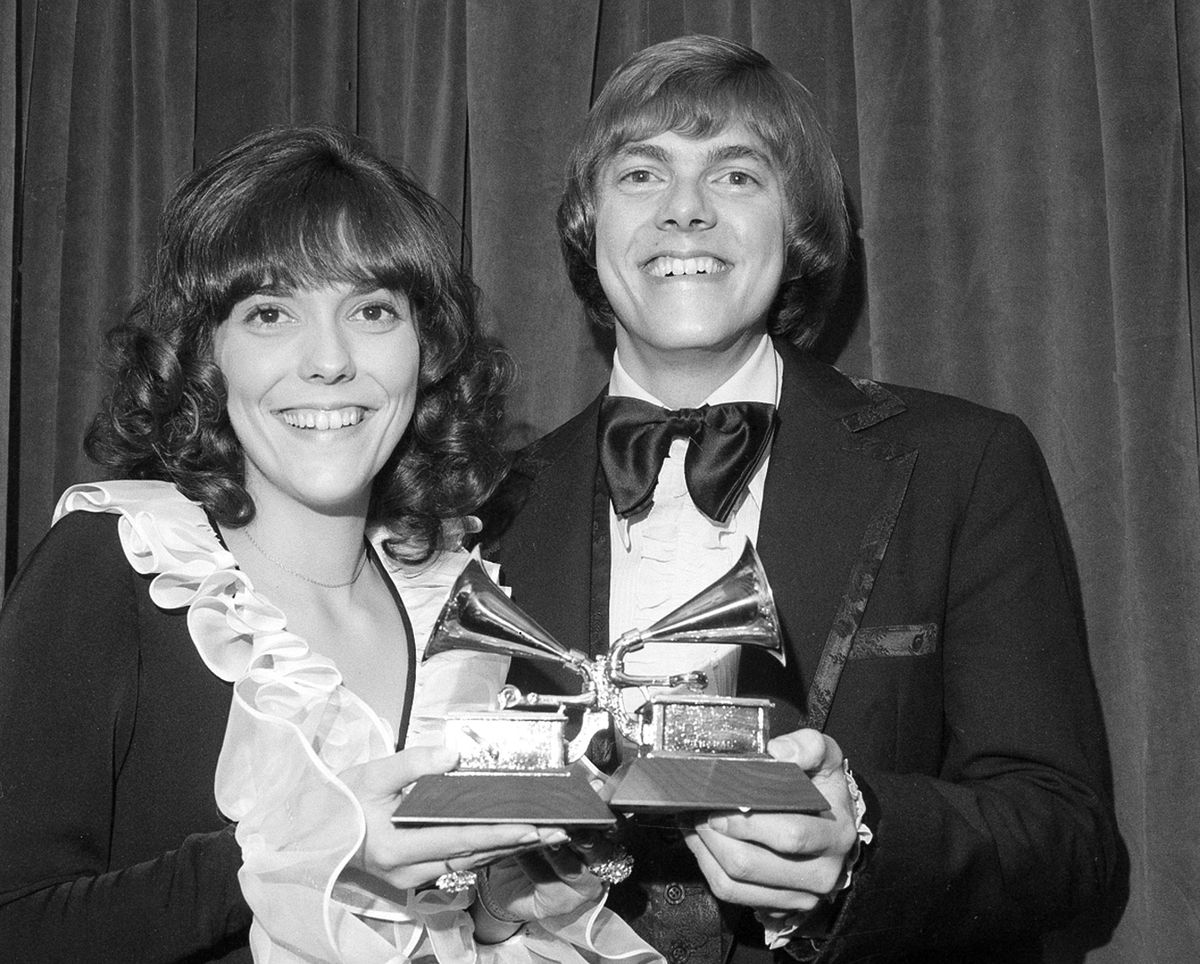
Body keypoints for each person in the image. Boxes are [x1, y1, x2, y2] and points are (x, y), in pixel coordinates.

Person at [482, 35, 1119, 963]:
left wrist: (863, 841)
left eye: (736, 175)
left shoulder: (963, 463)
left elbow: (1069, 842)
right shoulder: (488, 506)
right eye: (641, 174)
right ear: (589, 225)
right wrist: (491, 899)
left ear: (799, 227)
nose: (685, 211)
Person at [0, 126, 658, 963]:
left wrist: (503, 907)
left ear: (425, 351)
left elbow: (439, 921)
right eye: (270, 313)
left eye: (373, 310)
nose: (329, 362)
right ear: (206, 354)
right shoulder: (119, 568)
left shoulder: (466, 600)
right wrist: (299, 856)